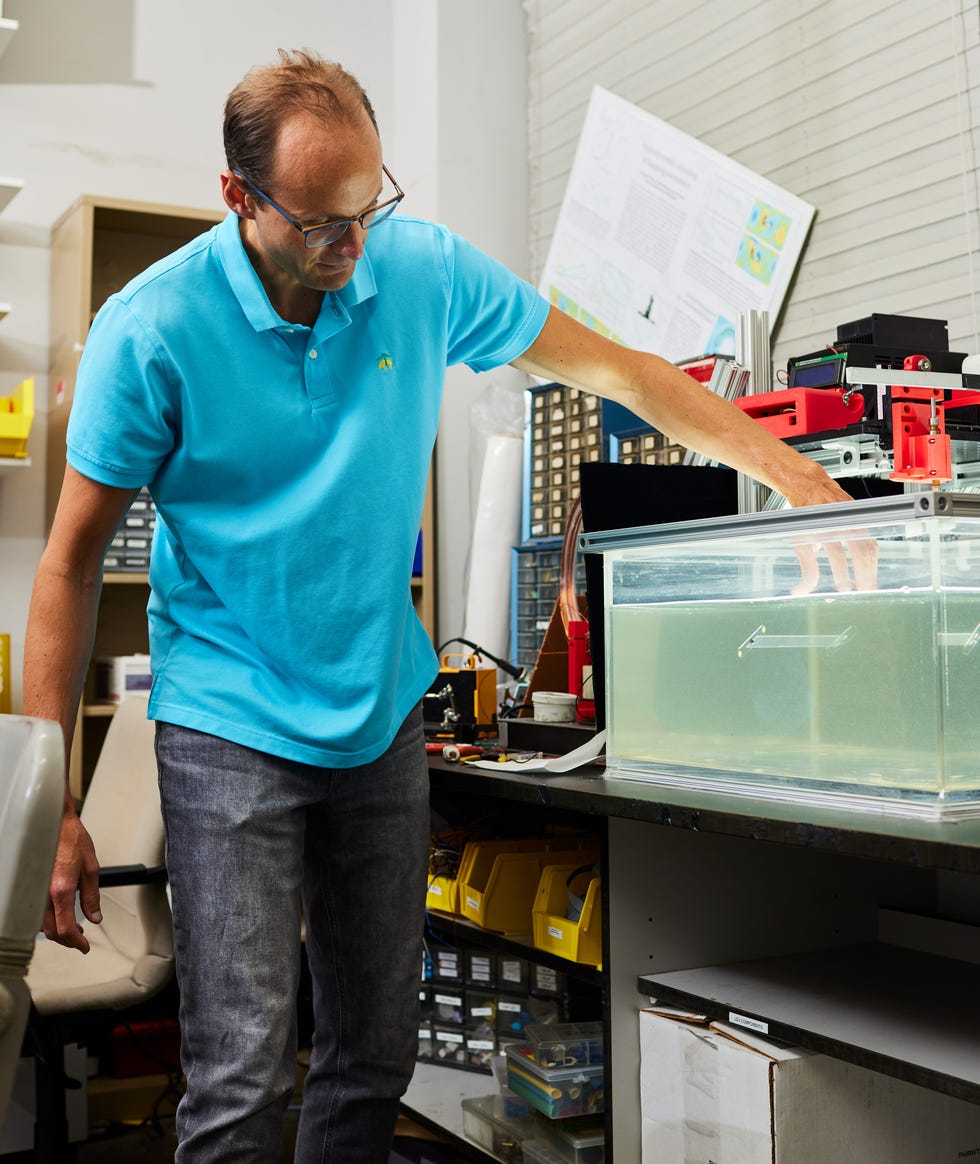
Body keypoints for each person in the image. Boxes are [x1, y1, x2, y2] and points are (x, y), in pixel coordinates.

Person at [23, 49, 868, 1163]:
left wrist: (793, 474)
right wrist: (53, 805)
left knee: (373, 1055)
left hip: (378, 717)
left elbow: (619, 371)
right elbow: (69, 566)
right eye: (321, 221)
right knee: (239, 1077)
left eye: (368, 208)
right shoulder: (152, 330)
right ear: (239, 197)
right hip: (227, 720)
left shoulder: (415, 271)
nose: (352, 244)